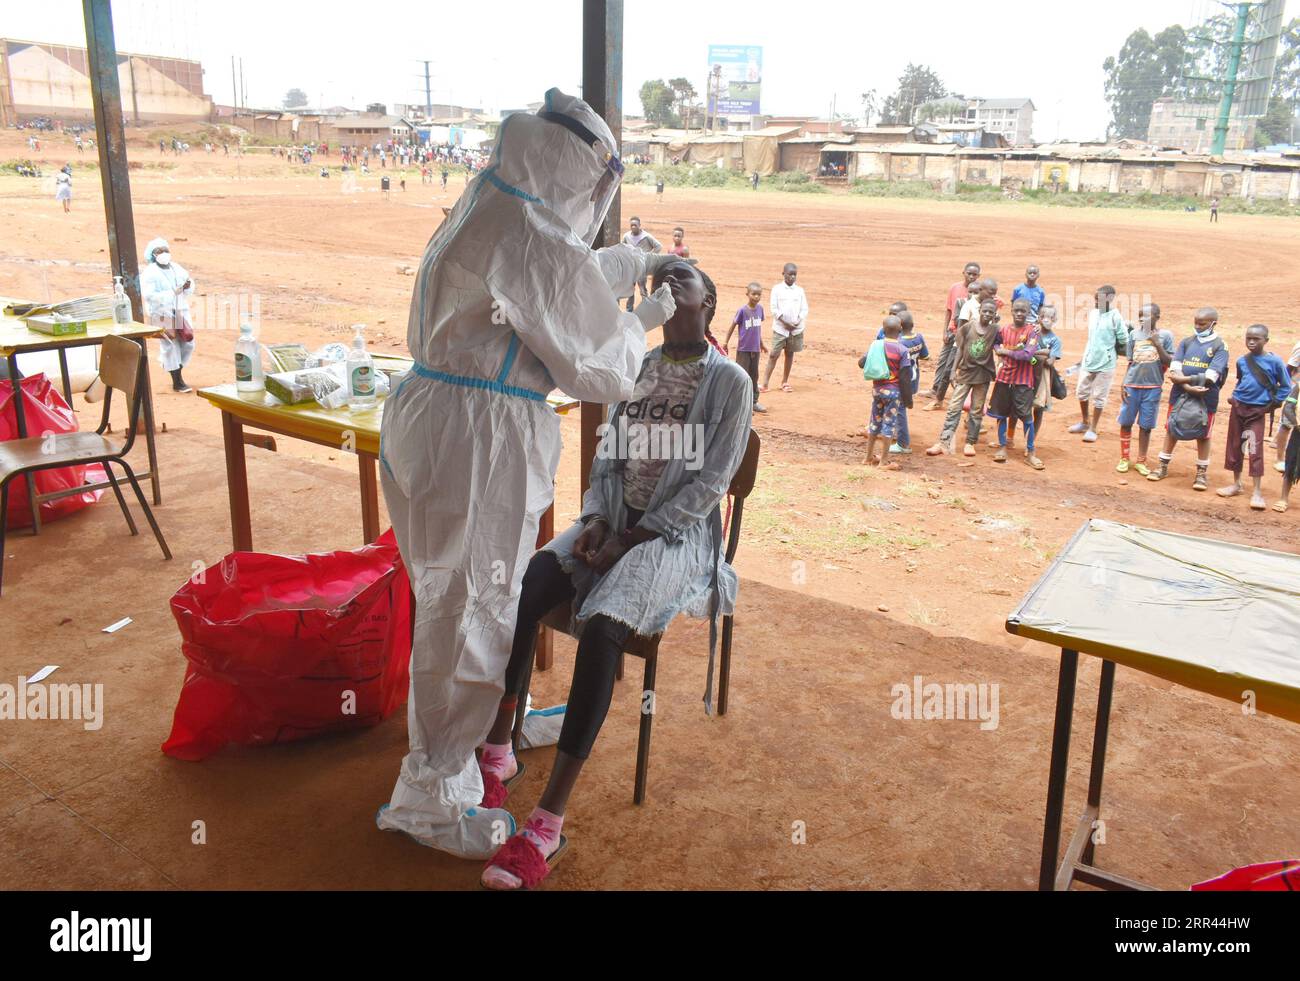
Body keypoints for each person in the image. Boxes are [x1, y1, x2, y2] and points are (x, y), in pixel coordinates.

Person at [375, 88, 683, 861]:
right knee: (473, 609)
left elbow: (559, 281)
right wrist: (646, 320)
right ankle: (433, 793)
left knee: (447, 601)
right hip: (477, 442)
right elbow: (598, 365)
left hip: (432, 420)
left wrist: (640, 262)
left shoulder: (493, 200)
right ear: (583, 176)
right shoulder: (530, 230)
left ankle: (438, 759)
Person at [477, 260, 752, 889]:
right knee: (532, 583)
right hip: (616, 519)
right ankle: (499, 749)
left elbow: (709, 485)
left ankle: (546, 822)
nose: (669, 278)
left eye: (684, 274)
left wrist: (632, 537)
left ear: (708, 298)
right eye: (662, 274)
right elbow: (611, 455)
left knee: (603, 627)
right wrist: (599, 520)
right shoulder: (641, 366)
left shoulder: (730, 383)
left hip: (673, 536)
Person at [1148, 307, 1230, 490]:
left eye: (1202, 324)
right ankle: (1162, 466)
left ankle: (1201, 473)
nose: (1198, 327)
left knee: (1203, 433)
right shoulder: (1186, 342)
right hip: (1180, 394)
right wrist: (1187, 386)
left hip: (1206, 397)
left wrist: (1182, 380)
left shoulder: (1220, 346)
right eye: (1196, 323)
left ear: (1213, 324)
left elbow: (1211, 376)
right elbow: (1175, 368)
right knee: (1172, 427)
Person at [1217, 324, 1292, 511]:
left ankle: (1257, 491)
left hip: (1257, 411)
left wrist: (1269, 406)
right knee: (1235, 445)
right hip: (1238, 407)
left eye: (1256, 339)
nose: (1251, 341)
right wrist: (1234, 398)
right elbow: (1242, 380)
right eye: (1248, 338)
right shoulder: (1242, 361)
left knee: (1254, 448)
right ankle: (1237, 484)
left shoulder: (1275, 362)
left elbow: (1285, 386)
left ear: (1266, 340)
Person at [926, 298, 998, 458]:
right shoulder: (967, 328)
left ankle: (970, 442)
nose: (987, 314)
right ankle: (944, 441)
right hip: (965, 373)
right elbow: (959, 349)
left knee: (976, 411)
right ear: (979, 311)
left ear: (994, 315)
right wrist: (953, 370)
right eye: (984, 311)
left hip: (983, 376)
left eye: (990, 312)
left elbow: (1006, 339)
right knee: (953, 407)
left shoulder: (995, 330)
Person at [1115, 303, 1173, 476]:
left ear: (1157, 317)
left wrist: (1157, 344)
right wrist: (1123, 383)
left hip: (1153, 387)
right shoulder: (1133, 334)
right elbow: (1130, 362)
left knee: (1146, 426)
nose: (1142, 319)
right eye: (1140, 315)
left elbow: (1169, 362)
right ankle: (1124, 458)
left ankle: (1141, 460)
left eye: (1146, 315)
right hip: (1132, 385)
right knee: (1126, 422)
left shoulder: (1165, 336)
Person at [985, 299, 1044, 470]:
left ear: (1028, 313)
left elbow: (1027, 355)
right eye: (1016, 310)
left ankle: (1031, 452)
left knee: (1026, 417)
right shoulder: (1003, 330)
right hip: (1004, 378)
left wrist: (1005, 352)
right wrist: (998, 349)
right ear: (1011, 311)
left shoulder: (1032, 331)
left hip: (1023, 381)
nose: (1019, 314)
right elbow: (996, 342)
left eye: (1023, 311)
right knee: (1002, 415)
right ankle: (1003, 447)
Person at [1069, 285, 1128, 443]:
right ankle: (1084, 422)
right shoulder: (1094, 313)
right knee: (1082, 392)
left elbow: (1123, 339)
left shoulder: (1116, 316)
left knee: (1099, 397)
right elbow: (1091, 338)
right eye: (1095, 298)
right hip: (1089, 359)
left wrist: (1110, 351)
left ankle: (1093, 428)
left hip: (1106, 363)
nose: (1095, 301)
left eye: (1098, 299)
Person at [140, 237, 195, 393]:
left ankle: (174, 367)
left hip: (180, 310)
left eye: (165, 250)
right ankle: (177, 380)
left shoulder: (176, 267)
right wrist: (172, 293)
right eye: (159, 251)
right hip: (161, 312)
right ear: (153, 255)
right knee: (170, 345)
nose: (163, 253)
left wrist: (187, 286)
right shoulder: (150, 272)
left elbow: (188, 281)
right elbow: (149, 295)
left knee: (188, 342)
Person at [860, 315, 914, 468]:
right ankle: (883, 461)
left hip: (877, 390)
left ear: (883, 330)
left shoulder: (876, 345)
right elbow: (905, 378)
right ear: (901, 330)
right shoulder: (903, 350)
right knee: (888, 425)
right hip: (893, 393)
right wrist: (908, 400)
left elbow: (861, 363)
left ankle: (868, 457)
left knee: (874, 423)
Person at [929, 262, 980, 409]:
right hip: (952, 332)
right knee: (943, 361)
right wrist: (944, 330)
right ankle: (935, 389)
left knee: (955, 367)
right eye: (969, 273)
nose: (971, 276)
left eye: (974, 274)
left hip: (967, 339)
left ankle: (951, 396)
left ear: (978, 276)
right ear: (963, 272)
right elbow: (949, 311)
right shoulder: (955, 289)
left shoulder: (979, 292)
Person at [877, 309, 928, 454]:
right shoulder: (918, 337)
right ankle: (892, 432)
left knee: (900, 410)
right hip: (913, 379)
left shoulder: (899, 343)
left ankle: (903, 443)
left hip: (900, 382)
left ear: (899, 328)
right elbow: (926, 356)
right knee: (900, 408)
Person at [761, 262, 808, 394]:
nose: (792, 277)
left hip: (795, 330)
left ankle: (784, 382)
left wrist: (797, 321)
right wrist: (785, 323)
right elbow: (774, 309)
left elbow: (804, 309)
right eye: (790, 274)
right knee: (773, 355)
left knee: (789, 354)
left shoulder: (800, 291)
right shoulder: (776, 289)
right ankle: (765, 383)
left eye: (794, 275)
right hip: (780, 329)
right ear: (783, 274)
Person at [724, 282, 768, 412]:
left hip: (755, 350)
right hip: (743, 349)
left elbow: (757, 329)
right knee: (742, 376)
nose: (756, 297)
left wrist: (762, 344)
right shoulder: (742, 311)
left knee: (754, 376)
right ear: (747, 294)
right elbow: (732, 326)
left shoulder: (760, 309)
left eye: (759, 294)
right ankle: (739, 404)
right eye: (754, 294)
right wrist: (725, 342)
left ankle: (753, 402)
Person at [621, 217, 662, 312]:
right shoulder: (627, 236)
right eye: (631, 225)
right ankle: (629, 310)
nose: (633, 227)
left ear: (640, 225)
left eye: (635, 225)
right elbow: (622, 247)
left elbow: (658, 246)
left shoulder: (646, 237)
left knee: (643, 290)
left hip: (642, 268)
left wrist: (649, 256)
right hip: (631, 268)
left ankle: (646, 309)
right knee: (630, 290)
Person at [1275, 366, 1300, 512]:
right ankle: (1283, 498)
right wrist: (1296, 424)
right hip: (1299, 432)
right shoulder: (1298, 387)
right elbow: (1288, 407)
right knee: (1291, 464)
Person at [1273, 340, 1300, 475]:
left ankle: (1275, 440)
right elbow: (1289, 369)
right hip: (1297, 388)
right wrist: (1285, 388)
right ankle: (1279, 459)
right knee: (1287, 423)